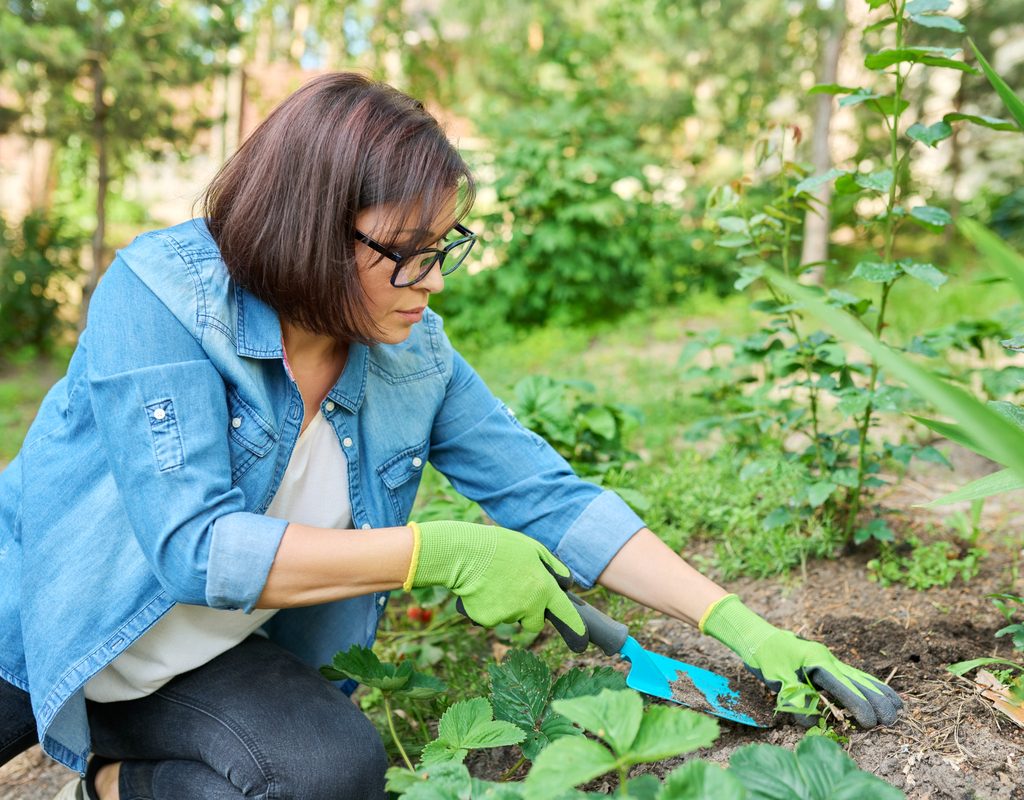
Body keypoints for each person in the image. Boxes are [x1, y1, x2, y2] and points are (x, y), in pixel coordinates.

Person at [0, 72, 901, 800]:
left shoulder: (409, 351)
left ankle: (113, 782)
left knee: (330, 771)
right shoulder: (160, 301)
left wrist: (739, 624)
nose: (432, 280)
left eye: (444, 245)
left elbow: (551, 498)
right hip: (40, 626)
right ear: (313, 227)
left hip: (198, 661)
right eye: (408, 249)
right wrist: (441, 552)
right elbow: (195, 549)